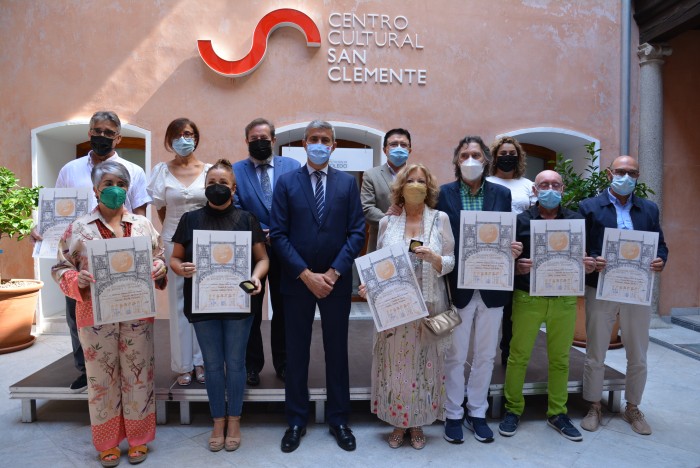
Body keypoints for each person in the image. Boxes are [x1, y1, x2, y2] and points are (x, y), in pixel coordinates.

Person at [51, 160, 166, 467]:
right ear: (96, 189)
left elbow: (159, 257)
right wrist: (78, 280)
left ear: (128, 189)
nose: (116, 190)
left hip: (137, 313)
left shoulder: (142, 225)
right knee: (102, 379)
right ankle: (107, 442)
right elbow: (60, 266)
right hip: (95, 315)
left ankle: (139, 438)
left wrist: (159, 268)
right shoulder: (78, 229)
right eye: (109, 184)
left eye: (122, 185)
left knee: (139, 375)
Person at [35, 110, 151, 393]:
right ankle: (85, 370)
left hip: (118, 252)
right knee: (77, 313)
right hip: (81, 254)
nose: (102, 136)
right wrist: (41, 231)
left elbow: (140, 213)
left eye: (109, 133)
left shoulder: (132, 171)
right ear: (89, 133)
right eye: (97, 131)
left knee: (122, 312)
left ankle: (125, 368)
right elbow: (57, 210)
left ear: (118, 137)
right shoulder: (70, 170)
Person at [270, 120, 365, 453]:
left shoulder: (348, 184)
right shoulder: (285, 183)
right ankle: (296, 419)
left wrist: (335, 273)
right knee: (296, 354)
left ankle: (339, 419)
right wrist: (306, 274)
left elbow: (357, 232)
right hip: (298, 283)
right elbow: (278, 234)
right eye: (314, 139)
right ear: (303, 142)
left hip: (336, 283)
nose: (320, 144)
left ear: (334, 146)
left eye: (326, 140)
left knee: (336, 352)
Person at [170, 159, 269, 452]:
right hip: (203, 304)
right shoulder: (190, 220)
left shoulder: (247, 219)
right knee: (212, 365)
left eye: (223, 183)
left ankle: (235, 419)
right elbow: (174, 258)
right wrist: (180, 268)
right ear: (205, 186)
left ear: (234, 188)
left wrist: (256, 276)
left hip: (239, 302)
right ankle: (217, 420)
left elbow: (263, 259)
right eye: (212, 182)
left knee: (236, 363)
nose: (217, 187)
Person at [358, 163, 455, 450]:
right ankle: (399, 421)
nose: (416, 185)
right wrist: (368, 285)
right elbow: (377, 263)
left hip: (430, 304)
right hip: (394, 309)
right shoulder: (388, 222)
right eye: (410, 180)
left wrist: (435, 258)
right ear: (400, 187)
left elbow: (451, 261)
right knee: (397, 366)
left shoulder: (440, 219)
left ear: (429, 187)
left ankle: (419, 423)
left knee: (425, 366)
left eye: (421, 181)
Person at [436, 135, 522, 444]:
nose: (470, 160)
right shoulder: (442, 194)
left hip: (493, 285)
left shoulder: (501, 194)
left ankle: (477, 412)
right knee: (456, 354)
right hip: (457, 285)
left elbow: (506, 232)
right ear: (456, 161)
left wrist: (514, 247)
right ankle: (453, 414)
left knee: (486, 355)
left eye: (476, 154)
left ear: (486, 159)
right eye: (464, 155)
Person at [498, 170, 596, 442]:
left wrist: (587, 266)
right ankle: (513, 409)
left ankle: (557, 412)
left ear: (563, 189)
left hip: (564, 298)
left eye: (555, 185)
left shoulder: (576, 221)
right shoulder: (520, 221)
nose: (550, 189)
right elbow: (506, 261)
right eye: (544, 185)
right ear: (534, 190)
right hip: (528, 297)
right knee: (518, 356)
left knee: (561, 359)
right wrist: (517, 265)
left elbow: (583, 259)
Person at [579, 155, 668, 436]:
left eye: (632, 173)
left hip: (637, 290)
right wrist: (592, 258)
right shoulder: (589, 207)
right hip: (600, 288)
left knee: (639, 353)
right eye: (621, 171)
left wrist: (660, 261)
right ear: (609, 173)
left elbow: (661, 246)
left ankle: (632, 407)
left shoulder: (649, 210)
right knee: (596, 351)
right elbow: (580, 247)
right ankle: (594, 405)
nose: (626, 177)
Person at [233, 118, 300, 386]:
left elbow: (300, 203)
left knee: (284, 309)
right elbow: (236, 208)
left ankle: (283, 364)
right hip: (251, 248)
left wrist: (280, 231)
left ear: (273, 140)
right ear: (246, 141)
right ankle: (252, 366)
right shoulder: (236, 170)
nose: (259, 142)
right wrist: (261, 232)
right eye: (253, 138)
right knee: (251, 309)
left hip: (286, 249)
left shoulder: (293, 166)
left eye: (264, 138)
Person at [147, 118, 210, 386]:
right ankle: (183, 364)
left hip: (206, 241)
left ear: (196, 137)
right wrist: (172, 235)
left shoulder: (209, 170)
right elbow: (161, 208)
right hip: (174, 240)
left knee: (203, 302)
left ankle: (202, 361)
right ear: (169, 139)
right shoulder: (161, 171)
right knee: (179, 303)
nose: (184, 138)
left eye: (189, 133)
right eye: (178, 134)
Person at [487, 136, 534, 365]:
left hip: (522, 248)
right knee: (495, 303)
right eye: (503, 154)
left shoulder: (527, 185)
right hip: (494, 249)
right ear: (495, 157)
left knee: (514, 306)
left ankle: (508, 355)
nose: (507, 157)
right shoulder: (486, 182)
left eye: (512, 154)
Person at [360, 128, 411, 252]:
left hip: (412, 239)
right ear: (385, 150)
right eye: (393, 144)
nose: (399, 148)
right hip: (380, 241)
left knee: (413, 270)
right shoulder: (371, 175)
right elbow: (366, 208)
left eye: (403, 145)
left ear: (409, 150)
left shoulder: (419, 175)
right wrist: (389, 220)